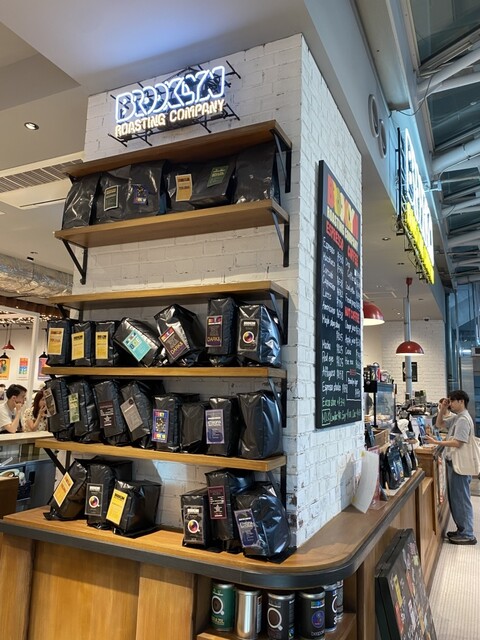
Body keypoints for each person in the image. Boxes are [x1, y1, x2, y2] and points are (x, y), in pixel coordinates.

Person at [425, 390, 477, 545]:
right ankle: (462, 529)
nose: (451, 404)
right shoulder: (458, 417)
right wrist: (442, 409)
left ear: (461, 401)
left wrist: (437, 442)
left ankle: (467, 534)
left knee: (461, 498)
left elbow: (458, 442)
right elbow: (439, 424)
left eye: (452, 401)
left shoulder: (463, 419)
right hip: (455, 463)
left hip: (459, 465)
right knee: (457, 498)